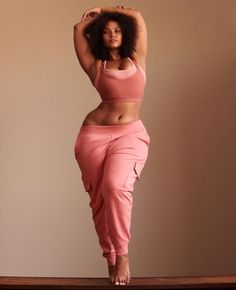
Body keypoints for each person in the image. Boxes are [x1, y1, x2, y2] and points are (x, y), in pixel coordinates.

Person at [73, 5, 150, 286]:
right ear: (100, 37)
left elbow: (138, 17)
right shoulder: (96, 66)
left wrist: (104, 9)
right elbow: (77, 30)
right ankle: (110, 257)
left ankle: (123, 255)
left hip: (129, 135)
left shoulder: (137, 58)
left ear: (125, 33)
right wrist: (91, 19)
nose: (112, 35)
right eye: (105, 32)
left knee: (115, 186)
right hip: (93, 136)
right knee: (99, 200)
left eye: (117, 30)